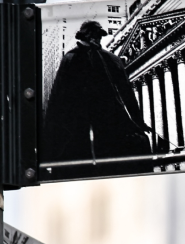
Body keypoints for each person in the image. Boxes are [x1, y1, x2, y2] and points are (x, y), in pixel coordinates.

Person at [43, 20, 161, 165]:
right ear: (85, 35)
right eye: (94, 34)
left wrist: (138, 121)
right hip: (79, 120)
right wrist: (52, 129)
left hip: (108, 117)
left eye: (99, 35)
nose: (98, 38)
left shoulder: (111, 59)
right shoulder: (70, 58)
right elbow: (57, 97)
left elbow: (127, 93)